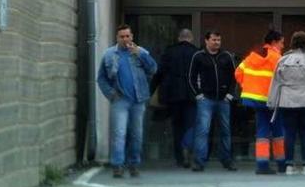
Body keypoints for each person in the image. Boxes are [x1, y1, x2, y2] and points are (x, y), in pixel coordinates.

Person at [96, 24, 158, 178]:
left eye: (127, 36)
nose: (125, 39)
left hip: (138, 100)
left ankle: (134, 164)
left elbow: (154, 69)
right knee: (119, 133)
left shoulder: (141, 52)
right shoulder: (109, 54)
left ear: (132, 37)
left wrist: (140, 55)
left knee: (136, 134)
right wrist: (111, 94)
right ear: (117, 38)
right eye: (121, 36)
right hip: (120, 100)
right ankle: (117, 165)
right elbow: (101, 78)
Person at [267, 31, 305, 175]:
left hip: (287, 101)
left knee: (289, 134)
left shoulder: (283, 60)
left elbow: (275, 82)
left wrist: (271, 100)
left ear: (292, 43)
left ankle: (289, 165)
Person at [235, 30, 286, 174]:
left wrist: (248, 86)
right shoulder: (277, 58)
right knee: (278, 131)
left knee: (262, 131)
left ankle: (262, 164)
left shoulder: (252, 56)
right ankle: (281, 164)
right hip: (273, 100)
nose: (283, 45)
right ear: (274, 42)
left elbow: (238, 73)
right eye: (281, 42)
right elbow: (285, 79)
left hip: (255, 100)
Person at [188, 30, 238, 172]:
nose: (217, 42)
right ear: (206, 41)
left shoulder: (226, 56)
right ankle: (199, 162)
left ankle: (227, 160)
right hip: (206, 100)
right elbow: (191, 76)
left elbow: (235, 77)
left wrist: (230, 94)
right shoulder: (198, 56)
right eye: (214, 40)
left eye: (219, 40)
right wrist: (198, 94)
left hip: (223, 100)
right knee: (203, 130)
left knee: (225, 130)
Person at [151, 28, 198, 168]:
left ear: (179, 38)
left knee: (177, 126)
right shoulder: (196, 52)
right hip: (192, 95)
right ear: (191, 38)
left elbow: (159, 73)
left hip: (173, 96)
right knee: (190, 125)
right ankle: (187, 150)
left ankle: (179, 157)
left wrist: (151, 91)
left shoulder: (169, 52)